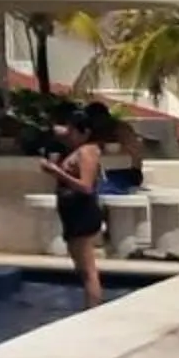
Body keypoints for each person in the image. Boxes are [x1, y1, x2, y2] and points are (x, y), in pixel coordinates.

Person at [39, 107, 105, 309]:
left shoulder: (87, 151)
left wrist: (56, 172)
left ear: (84, 133)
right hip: (72, 214)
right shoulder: (77, 149)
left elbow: (86, 186)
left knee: (88, 271)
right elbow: (56, 131)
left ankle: (93, 312)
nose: (68, 136)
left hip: (82, 213)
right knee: (81, 269)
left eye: (73, 132)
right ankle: (90, 308)